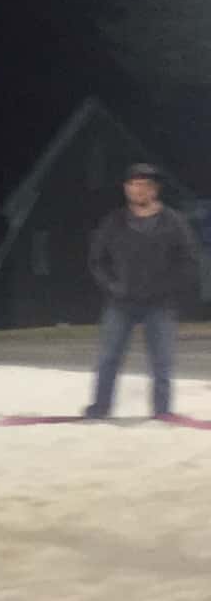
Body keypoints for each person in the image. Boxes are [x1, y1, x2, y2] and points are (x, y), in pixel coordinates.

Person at [84, 162, 201, 419]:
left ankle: (162, 412)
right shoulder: (113, 222)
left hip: (160, 305)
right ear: (126, 189)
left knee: (162, 363)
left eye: (145, 185)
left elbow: (189, 260)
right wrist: (112, 286)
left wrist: (170, 288)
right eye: (134, 185)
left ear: (155, 190)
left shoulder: (173, 222)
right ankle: (99, 409)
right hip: (120, 303)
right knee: (108, 358)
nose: (139, 190)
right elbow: (96, 260)